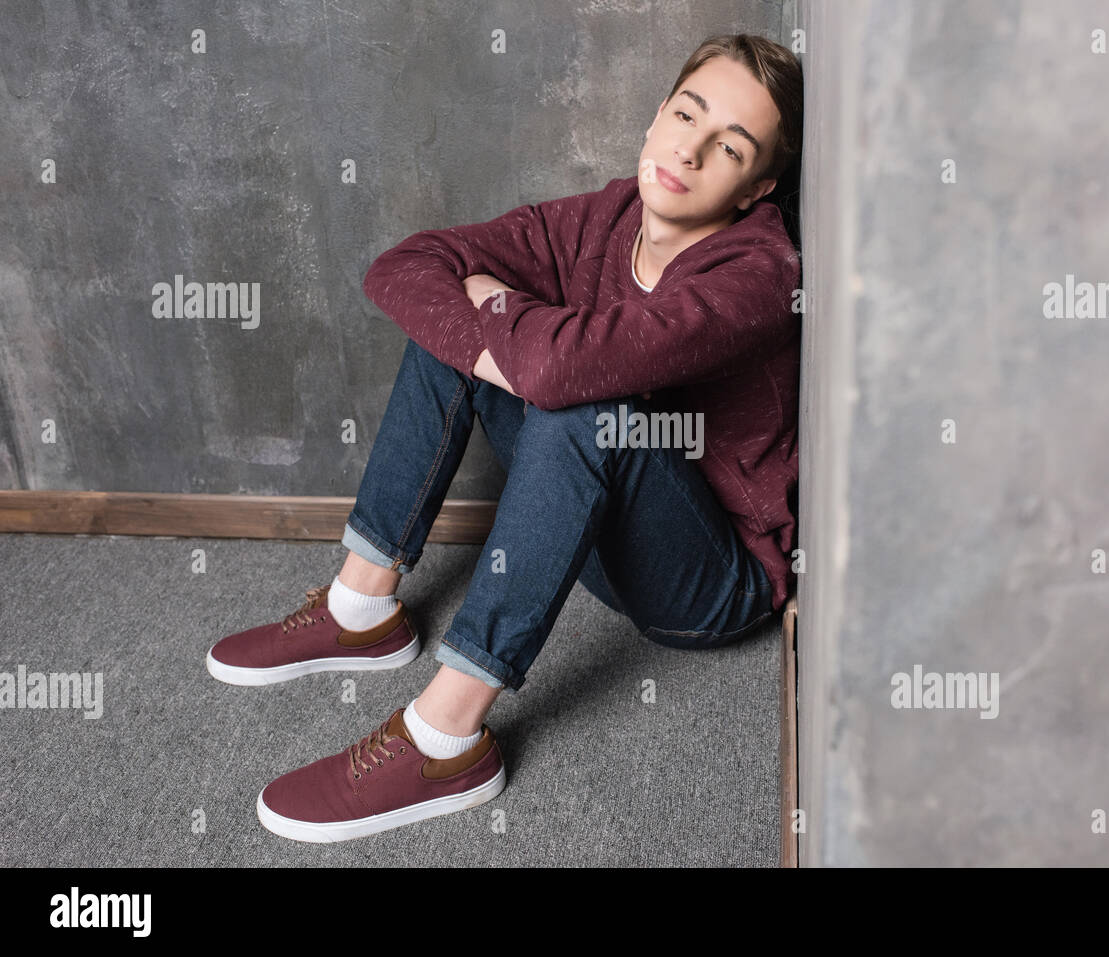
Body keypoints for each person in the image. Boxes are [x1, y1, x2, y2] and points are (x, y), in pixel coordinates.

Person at [206, 33, 804, 843]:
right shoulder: (609, 215)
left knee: (589, 403)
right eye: (686, 113)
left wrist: (503, 314)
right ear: (660, 111)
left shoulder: (760, 275)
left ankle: (446, 743)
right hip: (601, 527)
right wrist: (503, 332)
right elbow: (405, 264)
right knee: (452, 335)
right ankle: (361, 606)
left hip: (708, 577)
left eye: (727, 147)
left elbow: (567, 379)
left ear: (758, 185)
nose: (688, 149)